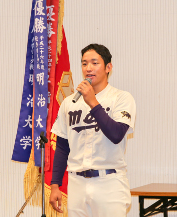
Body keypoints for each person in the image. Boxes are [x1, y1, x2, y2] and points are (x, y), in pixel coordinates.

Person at [48, 44, 135, 217]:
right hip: (76, 183)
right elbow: (62, 146)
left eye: (94, 63)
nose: (88, 68)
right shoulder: (69, 102)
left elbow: (116, 134)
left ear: (108, 67)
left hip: (109, 182)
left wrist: (92, 102)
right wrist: (55, 185)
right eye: (84, 63)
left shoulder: (121, 98)